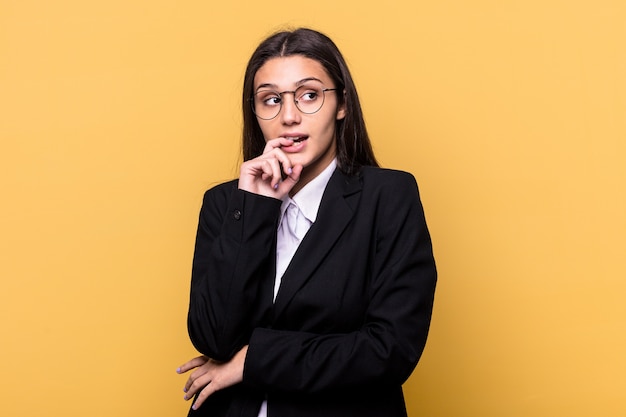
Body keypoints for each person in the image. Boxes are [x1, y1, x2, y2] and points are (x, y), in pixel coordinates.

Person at [176, 27, 437, 417]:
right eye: (270, 100)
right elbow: (214, 336)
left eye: (309, 95)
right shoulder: (225, 203)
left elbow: (389, 350)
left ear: (342, 104)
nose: (289, 116)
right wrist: (254, 208)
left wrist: (251, 361)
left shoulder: (389, 197)